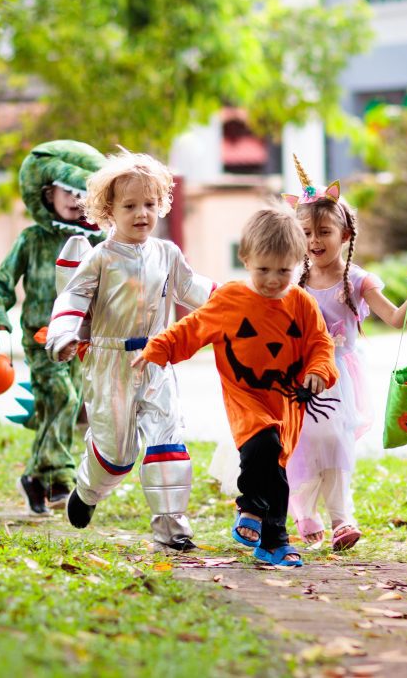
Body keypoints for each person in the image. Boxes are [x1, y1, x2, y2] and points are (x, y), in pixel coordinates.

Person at [134, 208, 338, 566]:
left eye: (283, 271)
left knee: (275, 466)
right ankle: (260, 519)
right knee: (263, 445)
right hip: (246, 396)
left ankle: (268, 536)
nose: (273, 280)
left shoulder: (301, 304)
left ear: (298, 263)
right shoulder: (231, 300)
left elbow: (320, 344)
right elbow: (191, 328)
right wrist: (159, 349)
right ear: (245, 259)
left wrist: (320, 370)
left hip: (288, 400)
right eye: (263, 270)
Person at [45, 152, 214, 552]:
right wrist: (65, 336)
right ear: (108, 210)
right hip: (109, 363)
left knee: (166, 438)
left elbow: (196, 292)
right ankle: (87, 490)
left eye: (150, 204)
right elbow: (72, 298)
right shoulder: (100, 257)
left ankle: (172, 528)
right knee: (118, 453)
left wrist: (239, 305)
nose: (142, 213)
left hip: (157, 358)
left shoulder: (167, 254)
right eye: (130, 205)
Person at [285, 156, 407, 551]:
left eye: (324, 231)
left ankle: (341, 518)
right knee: (301, 442)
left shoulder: (357, 280)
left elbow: (396, 319)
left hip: (338, 375)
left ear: (346, 234)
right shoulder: (292, 279)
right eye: (306, 232)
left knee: (335, 439)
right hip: (298, 373)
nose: (315, 240)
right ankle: (303, 509)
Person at [0, 140, 107, 516]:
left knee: (66, 409)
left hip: (82, 342)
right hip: (42, 339)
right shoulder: (32, 240)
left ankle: (36, 479)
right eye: (66, 191)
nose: (74, 199)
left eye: (82, 192)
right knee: (63, 399)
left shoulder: (99, 244)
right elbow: (1, 285)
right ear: (46, 193)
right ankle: (61, 477)